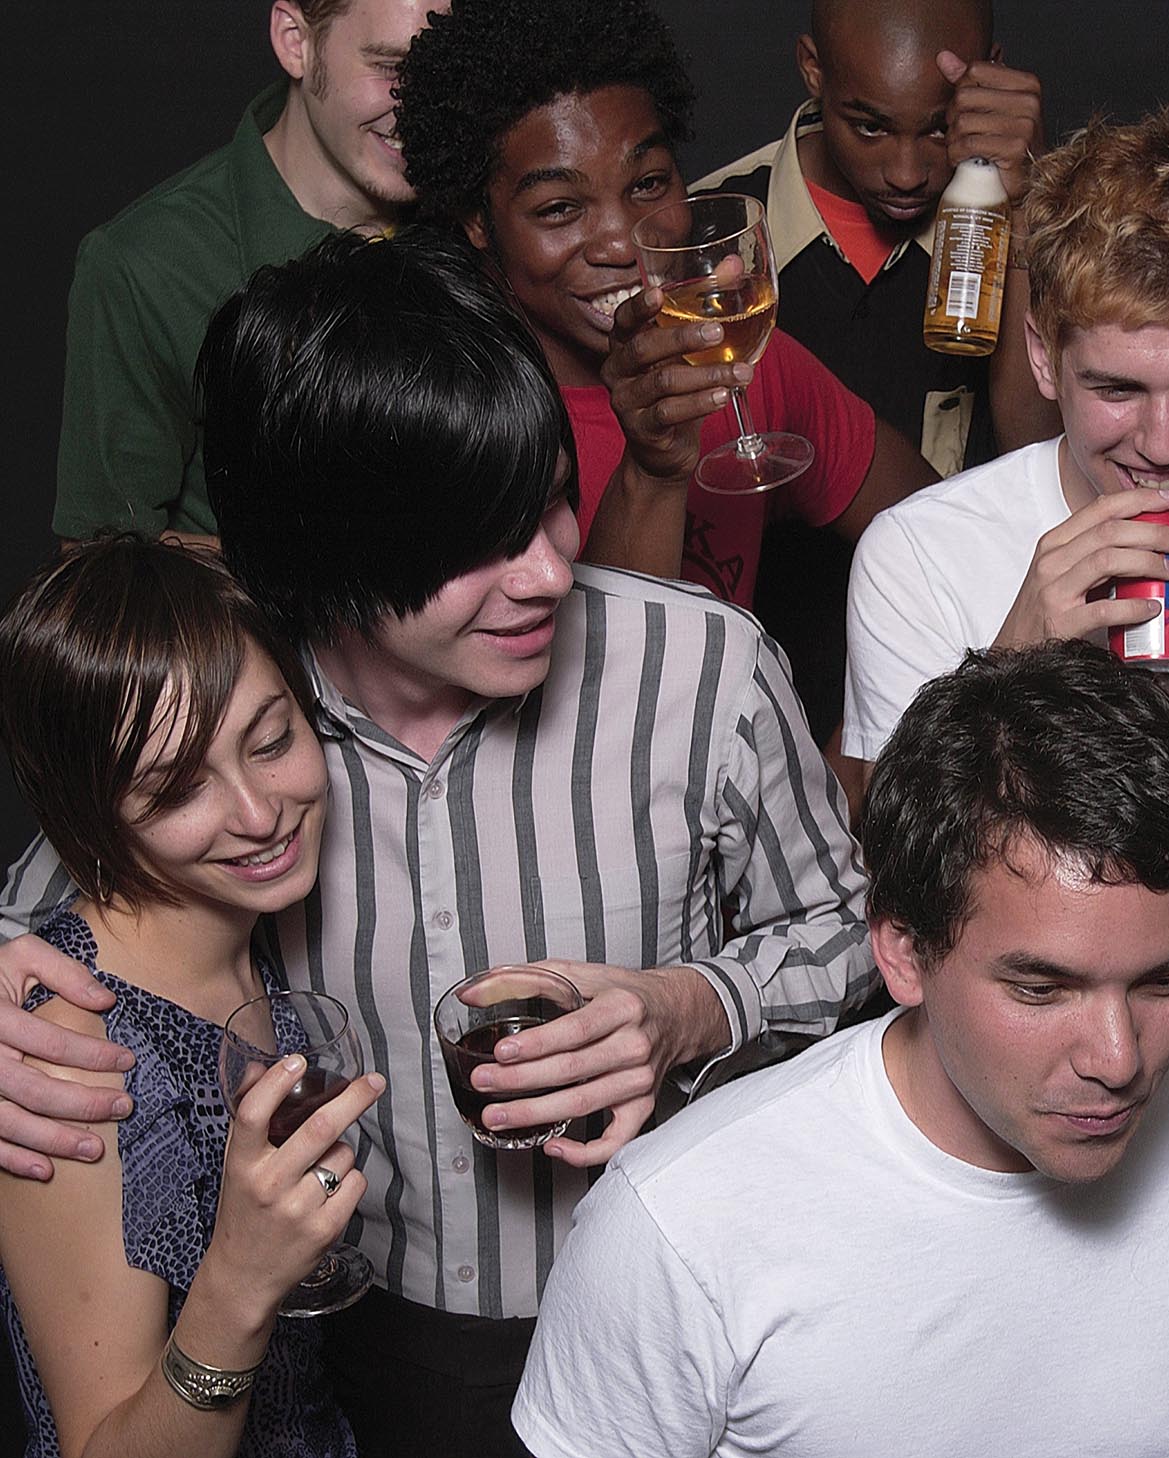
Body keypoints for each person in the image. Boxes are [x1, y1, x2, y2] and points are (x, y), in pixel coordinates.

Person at [0, 229, 873, 1458]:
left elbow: (857, 937)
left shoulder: (699, 668)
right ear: (324, 557)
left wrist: (690, 1006)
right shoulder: (241, 717)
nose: (547, 572)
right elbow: (68, 904)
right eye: (473, 543)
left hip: (670, 1301)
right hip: (364, 1344)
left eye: (549, 501)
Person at [511, 640, 1169, 1456]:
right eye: (1041, 989)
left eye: (1161, 980)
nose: (1117, 1060)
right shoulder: (677, 1229)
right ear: (902, 951)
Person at [394, 0, 937, 747]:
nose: (622, 240)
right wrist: (653, 467)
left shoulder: (738, 357)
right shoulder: (444, 418)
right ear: (478, 220)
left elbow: (936, 529)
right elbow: (591, 736)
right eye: (560, 208)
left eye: (648, 183)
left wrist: (873, 735)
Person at [0, 536, 384, 1458]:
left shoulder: (251, 931)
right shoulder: (65, 1047)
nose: (259, 814)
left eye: (271, 741)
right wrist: (239, 1282)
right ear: (93, 811)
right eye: (176, 789)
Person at [843, 107, 1169, 773]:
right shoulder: (919, 556)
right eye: (1118, 390)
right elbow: (896, 867)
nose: (1163, 446)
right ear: (1044, 358)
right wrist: (1011, 666)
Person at [52, 0, 436, 543]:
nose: (422, 104)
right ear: (294, 41)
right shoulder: (146, 264)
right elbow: (100, 558)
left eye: (444, 66)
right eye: (390, 67)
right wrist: (328, 587)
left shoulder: (481, 222)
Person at [694, 0, 1058, 477]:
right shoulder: (707, 231)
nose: (906, 175)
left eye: (940, 128)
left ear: (989, 78)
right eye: (869, 127)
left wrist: (1029, 207)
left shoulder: (1024, 225)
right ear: (814, 68)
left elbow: (1040, 462)